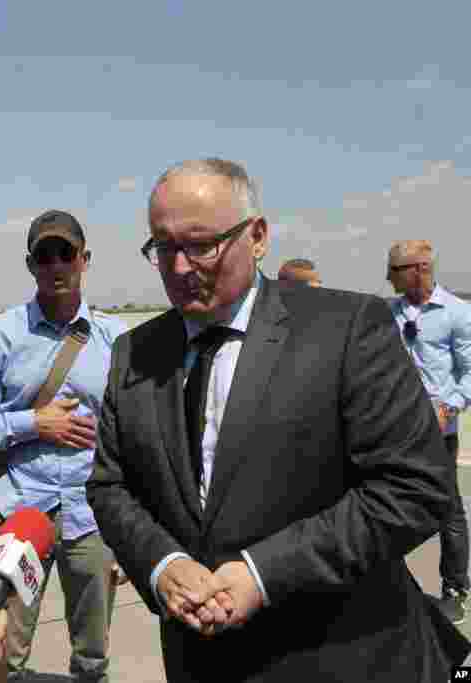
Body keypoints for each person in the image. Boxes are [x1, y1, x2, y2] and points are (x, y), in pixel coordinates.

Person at [86, 157, 467, 682]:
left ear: (258, 236)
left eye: (200, 244)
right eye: (164, 247)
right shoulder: (134, 353)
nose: (178, 267)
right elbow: (110, 486)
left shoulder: (348, 329)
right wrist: (161, 566)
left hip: (344, 659)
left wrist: (264, 574)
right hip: (204, 662)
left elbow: (414, 488)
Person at [0, 211, 126, 682]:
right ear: (30, 265)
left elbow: (134, 436)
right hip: (19, 511)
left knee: (92, 656)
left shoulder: (114, 340)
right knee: (0, 650)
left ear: (84, 260)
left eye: (65, 253)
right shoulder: (2, 334)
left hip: (91, 515)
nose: (56, 265)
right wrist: (34, 423)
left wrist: (131, 535)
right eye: (44, 255)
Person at [387, 239, 471, 623]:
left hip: (437, 431)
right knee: (383, 503)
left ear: (420, 268)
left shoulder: (457, 313)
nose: (388, 278)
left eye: (395, 270)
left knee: (447, 510)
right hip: (394, 428)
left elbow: (469, 372)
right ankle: (389, 591)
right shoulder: (389, 313)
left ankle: (455, 588)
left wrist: (448, 406)